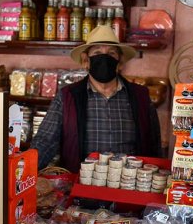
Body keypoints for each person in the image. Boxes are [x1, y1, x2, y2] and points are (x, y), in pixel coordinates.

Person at [30, 25, 162, 172]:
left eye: (111, 54)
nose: (104, 58)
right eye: (97, 52)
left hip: (130, 187)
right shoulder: (67, 97)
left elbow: (154, 145)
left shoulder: (141, 97)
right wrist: (24, 172)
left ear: (120, 62)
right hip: (81, 186)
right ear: (86, 60)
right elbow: (45, 142)